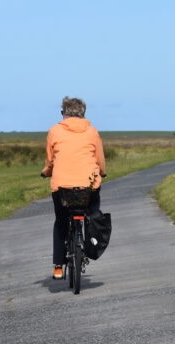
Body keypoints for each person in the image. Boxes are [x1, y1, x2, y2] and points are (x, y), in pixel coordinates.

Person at [41, 96, 106, 280]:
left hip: (62, 187)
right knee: (92, 213)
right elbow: (99, 159)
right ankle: (90, 244)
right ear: (83, 113)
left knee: (61, 221)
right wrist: (102, 172)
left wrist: (46, 172)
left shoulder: (54, 131)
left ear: (64, 113)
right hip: (89, 185)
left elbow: (50, 160)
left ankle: (58, 267)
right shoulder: (92, 132)